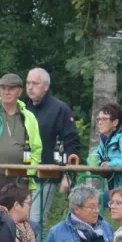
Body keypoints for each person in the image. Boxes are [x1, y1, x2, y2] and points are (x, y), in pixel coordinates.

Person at [25, 68, 80, 224]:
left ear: (45, 86)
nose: (30, 87)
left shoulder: (60, 109)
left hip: (47, 174)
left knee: (36, 221)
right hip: (21, 174)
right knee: (20, 220)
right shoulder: (22, 109)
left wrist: (68, 175)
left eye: (34, 83)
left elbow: (72, 143)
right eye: (28, 83)